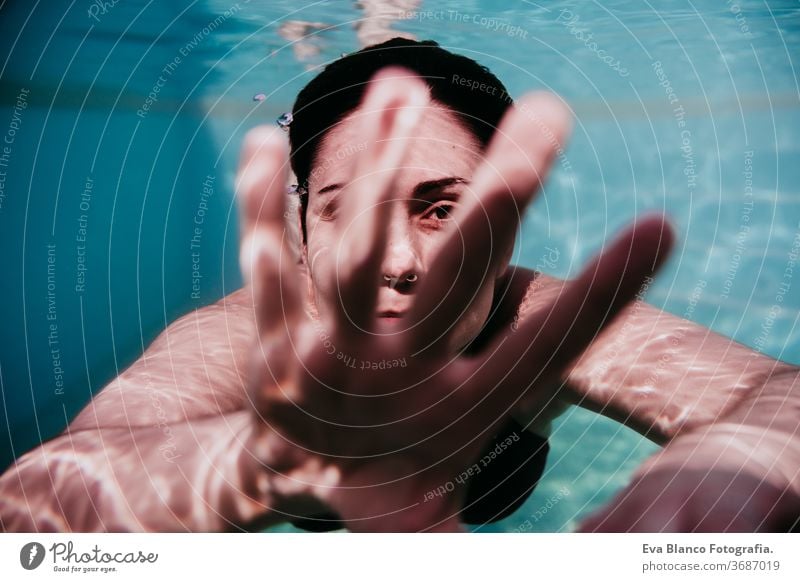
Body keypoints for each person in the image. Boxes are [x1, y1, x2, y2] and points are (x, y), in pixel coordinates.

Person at [1, 38, 798, 533]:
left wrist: (741, 459)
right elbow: (46, 494)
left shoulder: (539, 316)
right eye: (349, 215)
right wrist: (260, 462)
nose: (401, 261)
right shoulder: (237, 338)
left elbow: (777, 391)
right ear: (305, 230)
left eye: (444, 209)